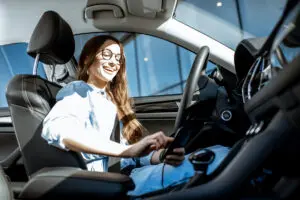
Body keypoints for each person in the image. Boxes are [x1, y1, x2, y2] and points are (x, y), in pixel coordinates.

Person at [42, 35, 230, 196]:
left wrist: (159, 155)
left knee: (219, 153)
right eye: (106, 54)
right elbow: (57, 129)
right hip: (106, 184)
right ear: (86, 61)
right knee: (220, 158)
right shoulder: (79, 91)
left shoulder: (107, 101)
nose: (114, 61)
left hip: (125, 176)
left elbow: (125, 159)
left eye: (118, 58)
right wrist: (127, 150)